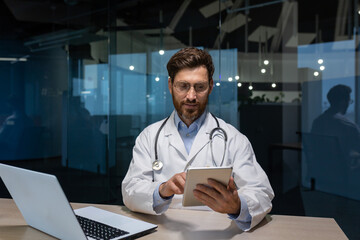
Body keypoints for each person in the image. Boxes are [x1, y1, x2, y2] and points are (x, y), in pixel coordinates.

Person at [122, 47, 274, 231]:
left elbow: (262, 192)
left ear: (210, 86)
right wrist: (162, 190)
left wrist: (237, 206)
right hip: (163, 231)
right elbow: (130, 190)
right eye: (183, 86)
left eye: (199, 87)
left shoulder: (233, 138)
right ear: (170, 86)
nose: (191, 96)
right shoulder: (149, 136)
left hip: (216, 231)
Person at [311, 84, 360, 158]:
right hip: (344, 168)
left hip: (322, 167)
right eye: (349, 101)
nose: (349, 104)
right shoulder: (349, 126)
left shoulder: (317, 122)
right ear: (343, 102)